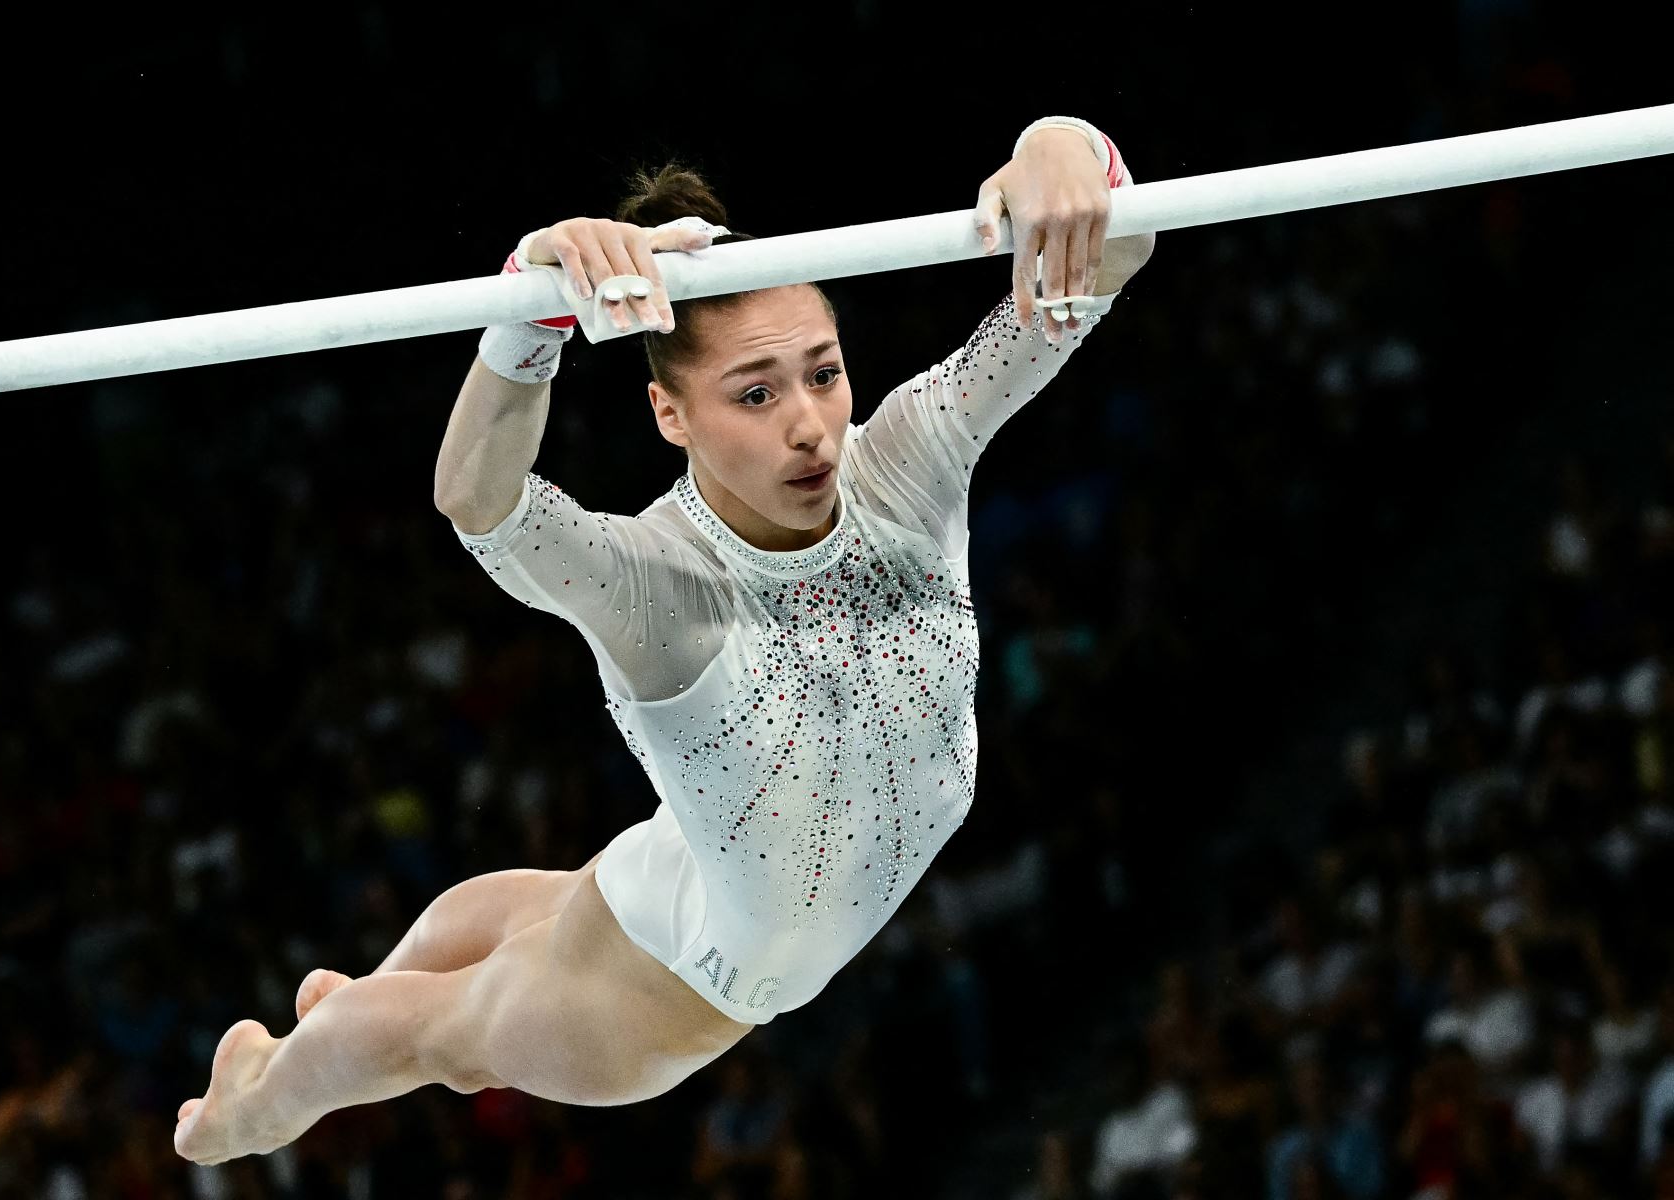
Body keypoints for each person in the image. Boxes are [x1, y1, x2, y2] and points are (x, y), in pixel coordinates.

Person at [174, 114, 1156, 1165]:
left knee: (540, 924)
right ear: (667, 413)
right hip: (669, 997)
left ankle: (347, 1000)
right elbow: (478, 501)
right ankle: (259, 1105)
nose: (809, 427)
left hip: (699, 864)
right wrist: (529, 314)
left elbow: (1114, 252)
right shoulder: (658, 586)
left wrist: (1067, 147)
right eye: (754, 393)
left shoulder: (909, 457)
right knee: (447, 1039)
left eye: (822, 373)